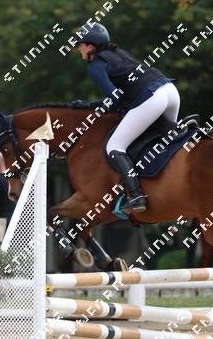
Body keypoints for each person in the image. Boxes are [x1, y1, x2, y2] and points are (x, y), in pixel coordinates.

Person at [71, 22, 180, 214]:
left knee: (114, 146)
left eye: (80, 44)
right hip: (170, 91)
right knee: (165, 140)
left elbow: (115, 99)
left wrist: (90, 106)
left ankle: (136, 196)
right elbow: (120, 95)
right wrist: (93, 104)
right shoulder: (118, 53)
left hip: (152, 98)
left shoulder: (96, 66)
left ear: (90, 46)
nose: (78, 48)